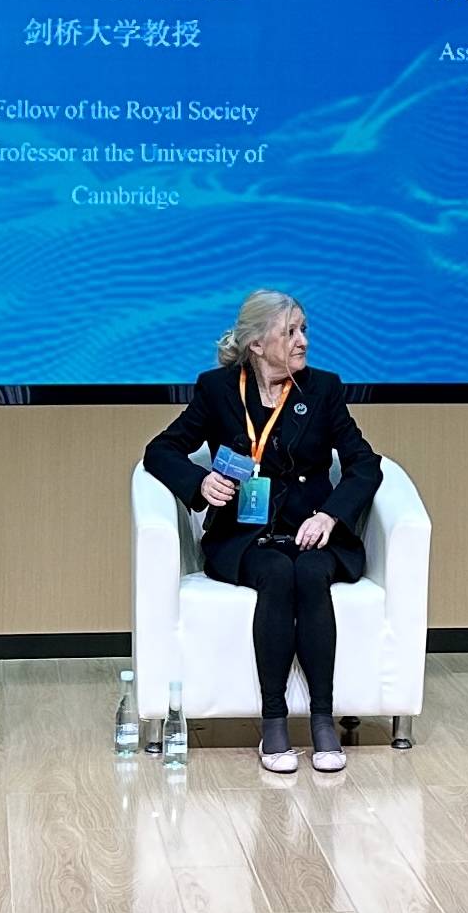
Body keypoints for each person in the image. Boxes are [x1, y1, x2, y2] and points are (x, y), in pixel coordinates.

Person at [142, 290, 382, 774]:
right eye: (290, 332)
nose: (302, 341)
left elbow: (364, 463)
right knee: (275, 572)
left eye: (304, 329)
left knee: (310, 573)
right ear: (256, 344)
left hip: (312, 531)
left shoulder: (323, 389)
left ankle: (322, 721)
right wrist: (199, 482)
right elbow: (160, 450)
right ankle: (274, 722)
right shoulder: (217, 390)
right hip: (245, 538)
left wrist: (330, 516)